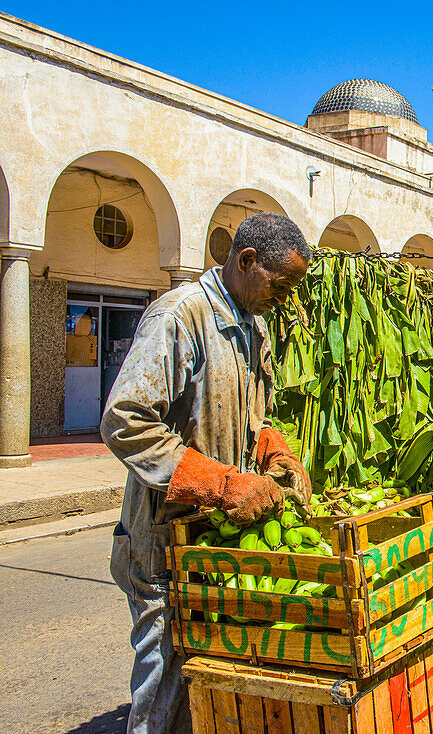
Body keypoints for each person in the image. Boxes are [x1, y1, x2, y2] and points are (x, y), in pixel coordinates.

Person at [102, 213, 313, 733]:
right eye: (280, 284)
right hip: (163, 542)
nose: (286, 298)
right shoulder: (178, 317)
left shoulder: (251, 324)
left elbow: (250, 416)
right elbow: (124, 420)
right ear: (246, 262)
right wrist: (219, 483)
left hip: (214, 542)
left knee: (208, 690)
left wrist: (272, 450)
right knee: (166, 688)